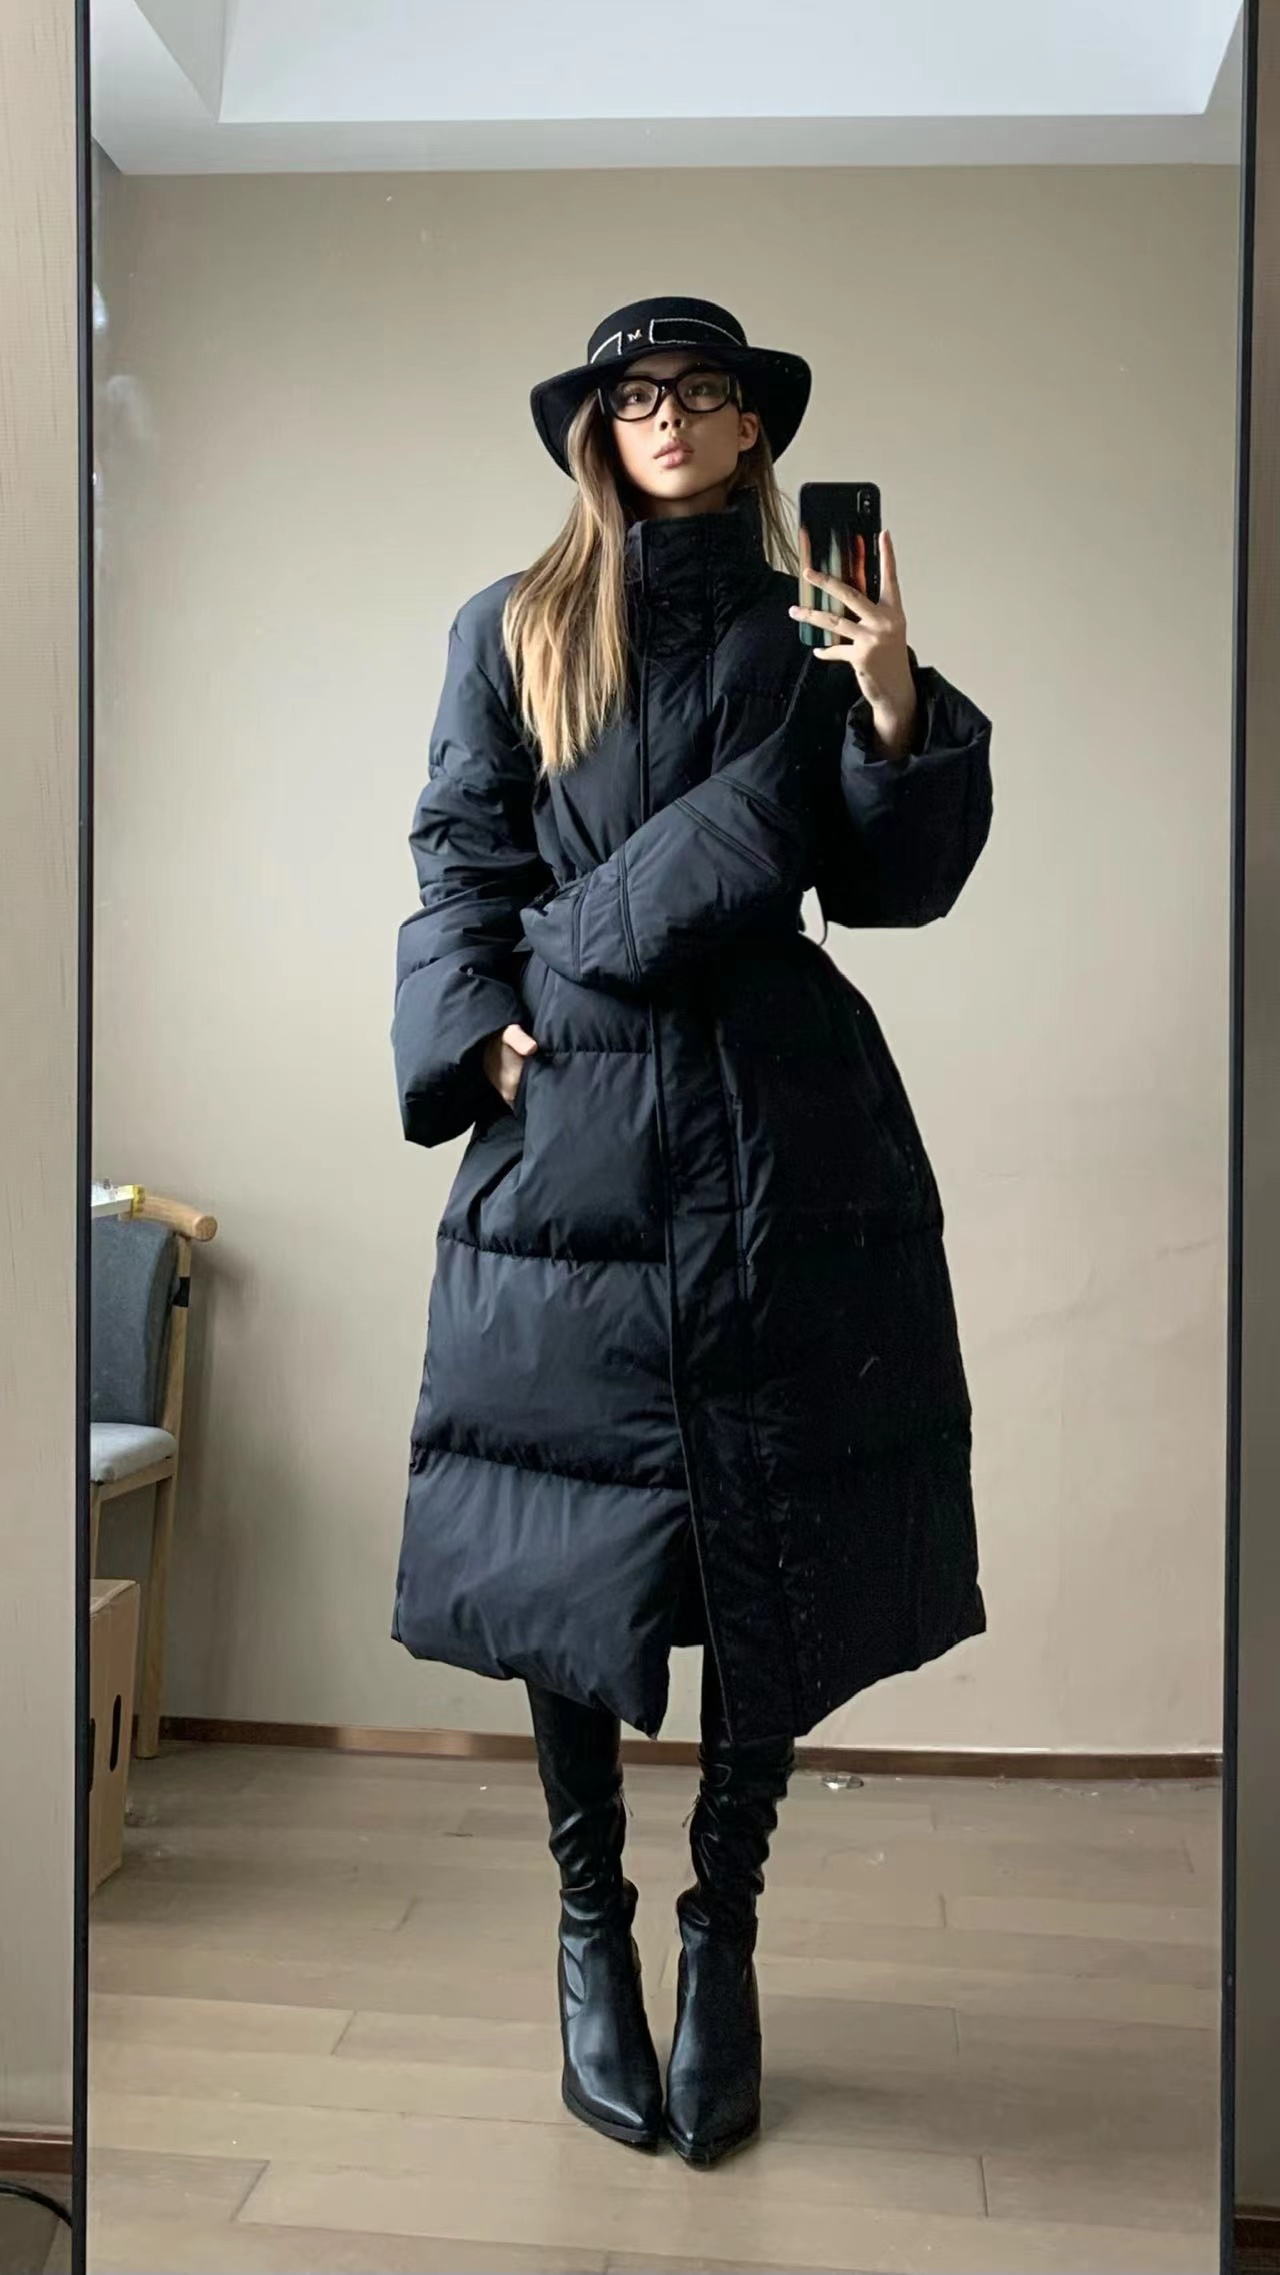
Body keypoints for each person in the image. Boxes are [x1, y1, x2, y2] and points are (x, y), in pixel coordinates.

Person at [390, 296, 994, 2167]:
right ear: (600, 427)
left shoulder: (812, 626)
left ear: (752, 432)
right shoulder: (510, 624)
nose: (669, 416)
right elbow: (460, 847)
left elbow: (889, 883)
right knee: (566, 1538)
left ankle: (721, 1928)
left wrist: (893, 703)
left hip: (773, 1118)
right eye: (637, 393)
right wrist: (478, 1025)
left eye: (703, 392)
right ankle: (592, 1924)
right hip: (570, 1115)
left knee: (765, 1540)